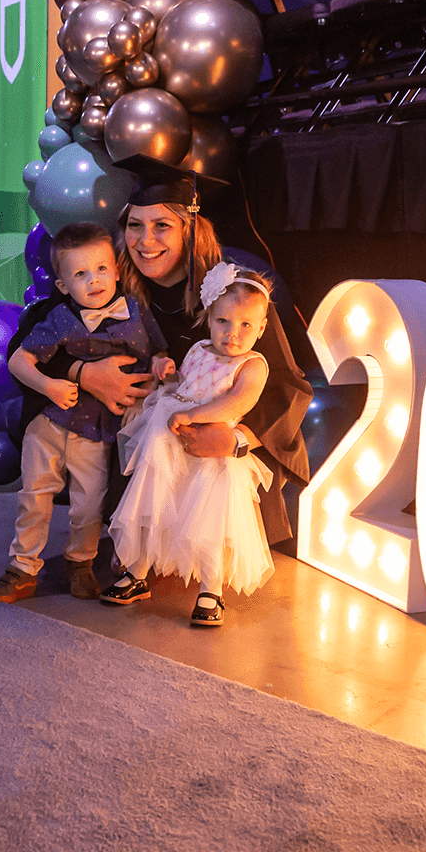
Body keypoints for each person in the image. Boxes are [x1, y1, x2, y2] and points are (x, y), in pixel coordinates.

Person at [13, 158, 309, 606]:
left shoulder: (228, 291)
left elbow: (287, 387)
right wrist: (83, 374)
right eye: (134, 225)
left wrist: (233, 438)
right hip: (134, 438)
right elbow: (29, 339)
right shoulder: (106, 278)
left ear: (189, 228)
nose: (144, 241)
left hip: (211, 445)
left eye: (161, 226)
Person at [0, 223, 166, 605]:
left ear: (117, 270)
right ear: (64, 285)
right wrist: (48, 385)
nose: (94, 281)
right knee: (35, 495)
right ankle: (22, 567)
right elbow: (19, 360)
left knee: (89, 504)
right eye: (80, 274)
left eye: (101, 269)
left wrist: (165, 367)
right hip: (50, 422)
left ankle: (80, 563)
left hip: (96, 431)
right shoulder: (60, 318)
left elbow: (159, 353)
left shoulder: (137, 312)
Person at [109, 264, 278, 626]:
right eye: (223, 322)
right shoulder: (200, 348)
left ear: (261, 328)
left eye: (246, 325)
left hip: (212, 456)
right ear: (209, 318)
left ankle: (210, 590)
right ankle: (138, 572)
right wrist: (171, 375)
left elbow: (239, 402)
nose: (232, 334)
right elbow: (184, 384)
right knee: (155, 506)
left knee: (208, 524)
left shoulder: (252, 365)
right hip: (170, 442)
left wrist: (198, 414)